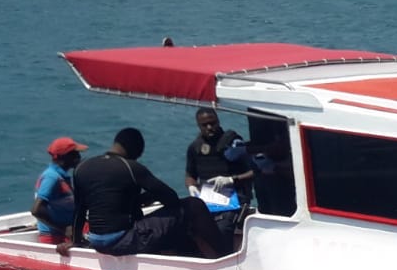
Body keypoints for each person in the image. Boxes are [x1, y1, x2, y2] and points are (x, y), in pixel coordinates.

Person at [62, 127, 224, 259]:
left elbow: (79, 211)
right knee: (193, 205)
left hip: (97, 239)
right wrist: (149, 197)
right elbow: (171, 199)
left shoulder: (83, 168)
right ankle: (226, 256)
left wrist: (75, 241)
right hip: (121, 240)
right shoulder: (130, 167)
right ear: (135, 149)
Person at [184, 107, 254, 249]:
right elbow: (190, 174)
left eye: (213, 123)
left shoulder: (233, 143)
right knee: (186, 228)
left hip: (233, 201)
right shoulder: (195, 147)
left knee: (222, 230)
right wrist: (191, 186)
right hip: (207, 201)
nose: (210, 127)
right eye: (205, 125)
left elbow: (255, 171)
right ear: (198, 125)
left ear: (218, 121)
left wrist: (232, 179)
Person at [31, 136, 87, 244]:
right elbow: (36, 210)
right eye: (75, 154)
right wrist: (64, 229)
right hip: (56, 238)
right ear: (65, 157)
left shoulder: (61, 176)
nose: (79, 156)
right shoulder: (51, 177)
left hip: (67, 233)